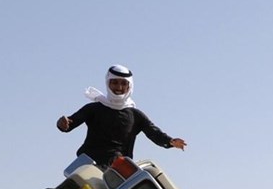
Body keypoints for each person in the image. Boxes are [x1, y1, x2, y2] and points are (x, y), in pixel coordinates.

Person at [56, 64, 187, 167]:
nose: (119, 87)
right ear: (108, 83)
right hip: (87, 162)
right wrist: (62, 123)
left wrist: (170, 141)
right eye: (115, 82)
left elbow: (154, 133)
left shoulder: (136, 115)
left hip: (117, 169)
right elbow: (70, 123)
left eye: (123, 83)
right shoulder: (94, 108)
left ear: (129, 86)